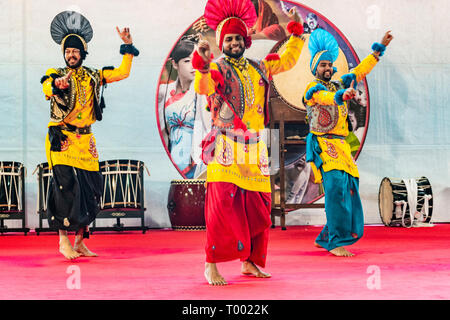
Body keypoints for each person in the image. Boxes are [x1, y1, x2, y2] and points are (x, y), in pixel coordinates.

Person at [192, 0, 306, 285]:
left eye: (237, 38)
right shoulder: (216, 69)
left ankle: (252, 262)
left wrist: (294, 32)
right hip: (226, 147)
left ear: (245, 40)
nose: (233, 42)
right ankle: (212, 265)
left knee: (258, 207)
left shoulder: (260, 68)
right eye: (227, 39)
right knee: (221, 208)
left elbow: (289, 61)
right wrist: (202, 64)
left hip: (255, 148)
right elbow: (203, 87)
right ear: (221, 42)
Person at [41, 11, 139, 260]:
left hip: (86, 141)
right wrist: (56, 85)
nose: (70, 55)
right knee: (66, 187)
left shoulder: (95, 75)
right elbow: (47, 85)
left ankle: (80, 241)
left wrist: (127, 47)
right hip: (62, 138)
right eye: (67, 51)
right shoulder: (56, 72)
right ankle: (63, 240)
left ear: (82, 54)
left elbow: (122, 73)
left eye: (75, 51)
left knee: (90, 189)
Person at [302, 29, 393, 257]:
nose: (327, 68)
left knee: (349, 189)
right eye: (322, 65)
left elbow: (360, 71)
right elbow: (324, 98)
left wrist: (379, 49)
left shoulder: (340, 82)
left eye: (329, 64)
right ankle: (335, 241)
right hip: (323, 146)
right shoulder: (313, 89)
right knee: (334, 190)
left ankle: (325, 235)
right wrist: (341, 96)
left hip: (341, 147)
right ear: (315, 68)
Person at [158, 37, 210, 178]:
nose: (193, 65)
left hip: (196, 158)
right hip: (173, 156)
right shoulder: (164, 92)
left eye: (196, 59)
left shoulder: (203, 90)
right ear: (175, 64)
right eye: (187, 61)